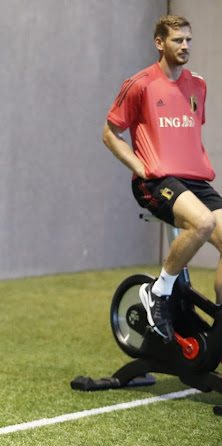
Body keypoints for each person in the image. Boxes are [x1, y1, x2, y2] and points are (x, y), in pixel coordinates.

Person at [103, 15, 221, 342]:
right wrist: (140, 167)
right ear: (160, 43)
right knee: (202, 223)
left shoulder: (198, 85)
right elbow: (110, 133)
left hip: (194, 181)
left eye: (188, 40)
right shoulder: (140, 83)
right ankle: (159, 291)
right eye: (177, 40)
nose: (184, 46)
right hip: (155, 181)